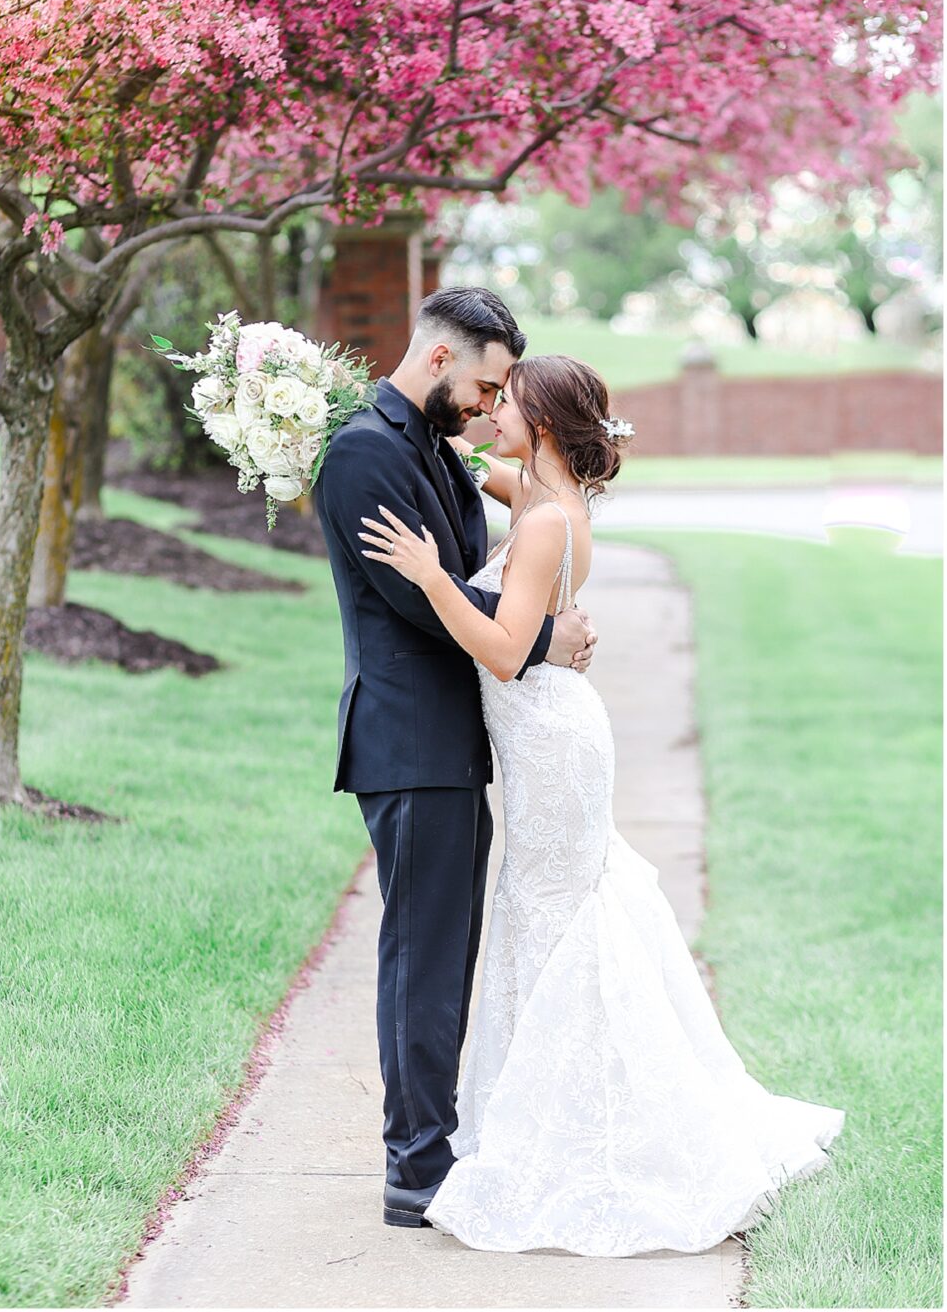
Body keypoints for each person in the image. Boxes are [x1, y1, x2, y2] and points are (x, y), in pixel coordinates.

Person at [360, 351, 846, 1256]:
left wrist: (431, 577)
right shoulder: (537, 495)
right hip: (550, 732)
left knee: (555, 917)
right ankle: (550, 1110)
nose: (488, 412)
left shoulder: (544, 523)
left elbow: (505, 653)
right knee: (549, 913)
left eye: (504, 403)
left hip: (549, 740)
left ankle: (592, 1124)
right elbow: (463, 462)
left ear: (540, 422)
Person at [313, 288, 599, 1230]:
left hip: (453, 741)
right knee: (424, 958)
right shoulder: (363, 453)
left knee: (449, 950)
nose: (488, 405)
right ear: (439, 359)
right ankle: (415, 1166)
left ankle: (442, 1139)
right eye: (484, 384)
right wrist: (541, 636)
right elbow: (409, 607)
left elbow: (547, 506)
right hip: (409, 741)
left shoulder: (434, 446)